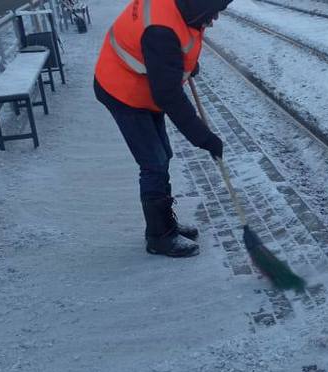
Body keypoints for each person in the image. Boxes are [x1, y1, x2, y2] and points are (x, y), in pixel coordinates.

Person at [94, 0, 232, 257]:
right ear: (201, 8)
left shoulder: (182, 9)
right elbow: (169, 96)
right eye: (212, 13)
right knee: (154, 162)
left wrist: (181, 65)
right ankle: (158, 237)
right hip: (121, 90)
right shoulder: (160, 30)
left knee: (162, 154)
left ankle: (165, 223)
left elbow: (169, 53)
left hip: (142, 86)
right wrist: (204, 138)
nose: (213, 20)